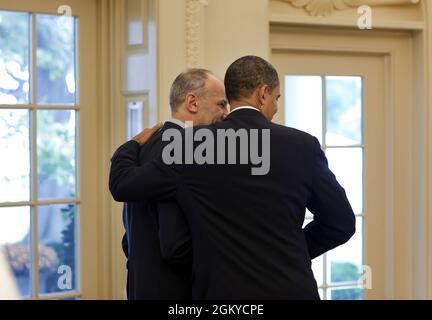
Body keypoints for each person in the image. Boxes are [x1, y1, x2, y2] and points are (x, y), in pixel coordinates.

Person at [109, 56, 355, 299]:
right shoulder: (303, 146)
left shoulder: (193, 145)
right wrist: (293, 252)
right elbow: (341, 223)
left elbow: (124, 186)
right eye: (277, 98)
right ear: (263, 93)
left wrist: (130, 146)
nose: (276, 107)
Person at [119, 68, 228, 299]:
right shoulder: (184, 149)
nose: (226, 113)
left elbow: (129, 237)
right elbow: (175, 246)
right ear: (192, 102)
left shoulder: (147, 145)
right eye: (221, 104)